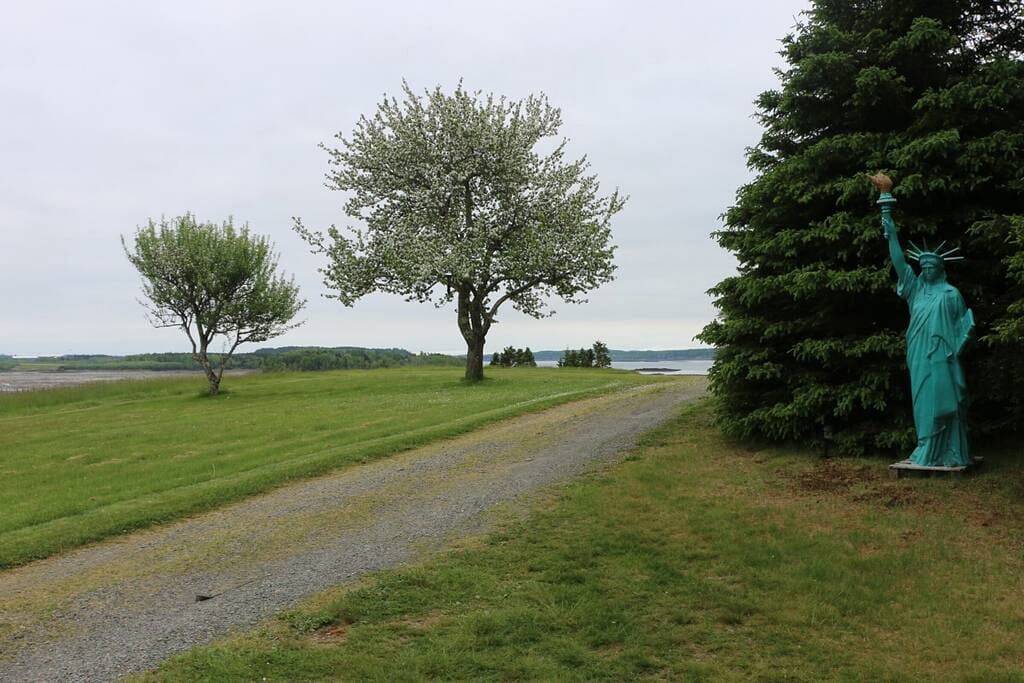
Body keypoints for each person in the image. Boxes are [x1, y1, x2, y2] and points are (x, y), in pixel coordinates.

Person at [872, 173, 974, 466]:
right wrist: (887, 214)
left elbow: (960, 326)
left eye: (932, 266)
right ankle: (926, 446)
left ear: (940, 268)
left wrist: (962, 342)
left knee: (944, 399)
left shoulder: (951, 293)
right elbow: (898, 260)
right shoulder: (914, 289)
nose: (927, 269)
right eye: (923, 265)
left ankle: (949, 451)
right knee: (922, 400)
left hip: (943, 355)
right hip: (918, 351)